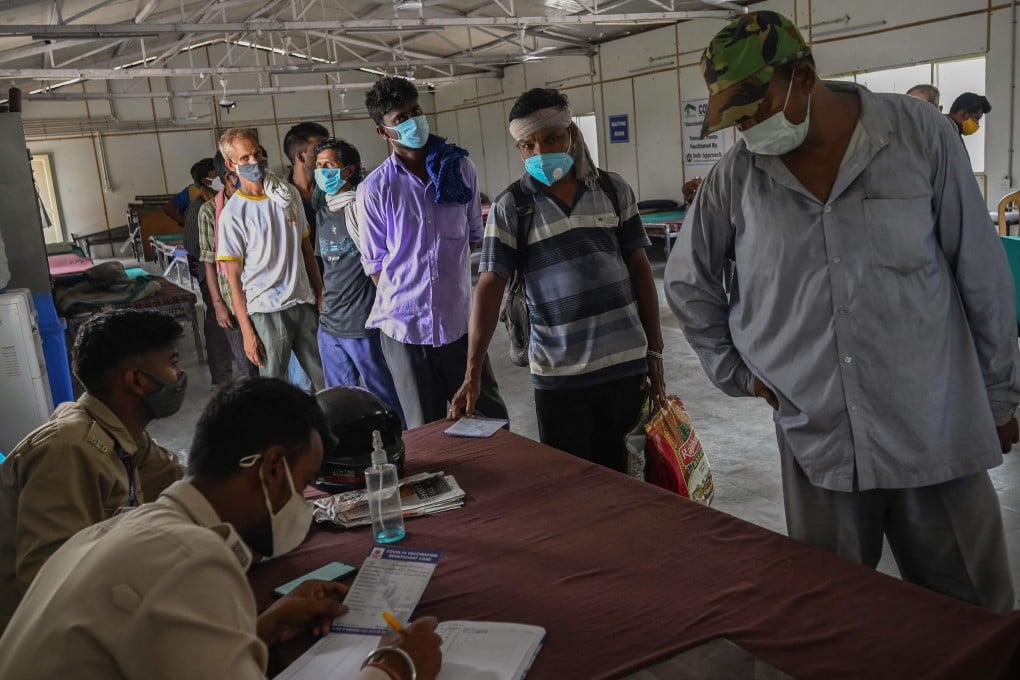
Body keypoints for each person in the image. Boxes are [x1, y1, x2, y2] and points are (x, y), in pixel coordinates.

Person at [665, 10, 1019, 612]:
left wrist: (1003, 397)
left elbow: (981, 275)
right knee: (835, 619)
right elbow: (689, 284)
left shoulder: (920, 135)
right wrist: (739, 374)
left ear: (802, 77)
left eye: (755, 111)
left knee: (973, 619)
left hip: (933, 427)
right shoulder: (738, 177)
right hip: (818, 440)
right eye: (738, 118)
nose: (748, 130)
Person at [0, 378, 443, 680]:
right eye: (304, 482)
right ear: (271, 467)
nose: (306, 503)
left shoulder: (123, 530)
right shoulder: (190, 561)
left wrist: (256, 631)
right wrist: (394, 667)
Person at [450, 88, 664, 471]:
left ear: (572, 135)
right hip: (559, 377)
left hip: (624, 367)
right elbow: (489, 287)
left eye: (551, 139)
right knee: (572, 486)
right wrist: (473, 372)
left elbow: (640, 268)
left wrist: (655, 351)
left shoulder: (614, 191)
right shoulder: (512, 207)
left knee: (628, 483)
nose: (540, 153)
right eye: (526, 145)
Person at [0, 310, 187, 631]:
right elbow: (47, 584)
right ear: (137, 381)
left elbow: (184, 488)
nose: (180, 374)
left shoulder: (123, 434)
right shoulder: (67, 450)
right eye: (172, 364)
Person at [358, 76, 508, 428]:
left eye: (416, 111)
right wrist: (408, 297)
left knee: (488, 419)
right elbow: (375, 263)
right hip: (404, 331)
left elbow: (473, 235)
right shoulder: (375, 189)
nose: (413, 122)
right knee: (424, 428)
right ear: (384, 132)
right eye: (401, 119)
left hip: (458, 323)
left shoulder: (459, 170)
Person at [216, 127, 326, 391]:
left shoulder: (287, 196)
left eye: (257, 154)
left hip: (302, 301)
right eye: (245, 159)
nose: (254, 162)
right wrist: (247, 332)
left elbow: (306, 250)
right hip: (266, 310)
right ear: (231, 165)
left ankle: (329, 429)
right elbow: (234, 279)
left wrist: (320, 293)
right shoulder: (234, 214)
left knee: (324, 378)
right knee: (274, 386)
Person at [313, 137, 406, 427]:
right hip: (330, 326)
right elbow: (326, 265)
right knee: (337, 401)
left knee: (384, 397)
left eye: (329, 165)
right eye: (318, 166)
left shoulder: (363, 208)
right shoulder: (324, 212)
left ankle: (401, 442)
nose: (322, 172)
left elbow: (383, 262)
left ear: (349, 170)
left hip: (362, 324)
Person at [198, 151, 260, 381]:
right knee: (246, 366)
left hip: (262, 296)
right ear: (228, 178)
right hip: (232, 301)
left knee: (273, 362)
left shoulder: (259, 202)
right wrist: (218, 305)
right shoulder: (209, 212)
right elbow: (210, 263)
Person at [284, 122, 331, 250]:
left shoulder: (333, 189)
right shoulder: (281, 198)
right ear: (300, 156)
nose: (326, 154)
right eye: (318, 150)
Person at [164, 157, 216, 226]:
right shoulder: (192, 191)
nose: (196, 181)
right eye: (195, 178)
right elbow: (168, 208)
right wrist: (187, 224)